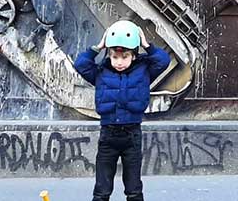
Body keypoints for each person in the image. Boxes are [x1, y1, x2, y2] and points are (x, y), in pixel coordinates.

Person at [74, 20, 172, 201]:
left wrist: (145, 44)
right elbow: (81, 64)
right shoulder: (100, 72)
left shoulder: (144, 71)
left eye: (125, 57)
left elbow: (163, 60)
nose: (119, 62)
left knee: (134, 188)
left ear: (134, 55)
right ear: (109, 55)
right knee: (102, 189)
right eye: (115, 57)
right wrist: (98, 46)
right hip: (108, 135)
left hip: (132, 135)